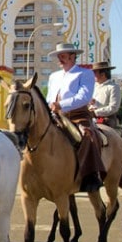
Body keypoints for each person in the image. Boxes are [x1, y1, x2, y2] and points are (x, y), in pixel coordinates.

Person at [46, 43, 104, 192]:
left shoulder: (85, 73)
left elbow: (84, 97)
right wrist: (50, 108)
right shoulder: (54, 76)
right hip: (56, 115)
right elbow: (49, 97)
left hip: (77, 115)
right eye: (59, 57)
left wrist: (61, 105)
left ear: (72, 56)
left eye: (63, 56)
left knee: (87, 135)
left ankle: (90, 175)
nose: (60, 59)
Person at [89, 61, 122, 139]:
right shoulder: (93, 87)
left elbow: (113, 107)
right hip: (90, 118)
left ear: (103, 74)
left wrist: (95, 112)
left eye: (95, 73)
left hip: (107, 119)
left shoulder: (113, 87)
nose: (93, 75)